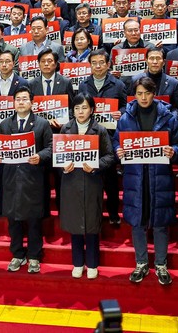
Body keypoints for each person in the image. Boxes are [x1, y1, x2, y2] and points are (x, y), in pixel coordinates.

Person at [113, 76, 178, 286]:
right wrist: (119, 151)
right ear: (134, 95)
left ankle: (161, 264)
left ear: (154, 94)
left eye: (147, 93)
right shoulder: (125, 118)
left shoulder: (168, 117)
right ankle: (141, 263)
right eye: (139, 93)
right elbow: (117, 142)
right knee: (137, 221)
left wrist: (174, 151)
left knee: (161, 223)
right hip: (135, 177)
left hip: (159, 176)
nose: (143, 98)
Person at [0, 87, 52, 274]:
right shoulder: (5, 124)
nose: (20, 102)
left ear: (32, 102)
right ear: (13, 102)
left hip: (33, 178)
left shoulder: (42, 124)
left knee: (34, 220)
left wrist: (40, 156)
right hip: (11, 178)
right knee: (14, 220)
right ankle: (17, 254)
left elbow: (51, 148)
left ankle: (34, 256)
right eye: (17, 99)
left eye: (24, 99)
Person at [58, 94, 115, 280]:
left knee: (91, 224)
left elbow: (110, 156)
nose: (80, 112)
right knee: (75, 223)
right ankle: (77, 262)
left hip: (92, 181)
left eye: (84, 108)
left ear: (92, 109)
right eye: (77, 108)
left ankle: (92, 263)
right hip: (71, 182)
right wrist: (62, 166)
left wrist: (96, 165)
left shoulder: (100, 130)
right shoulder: (65, 129)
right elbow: (56, 155)